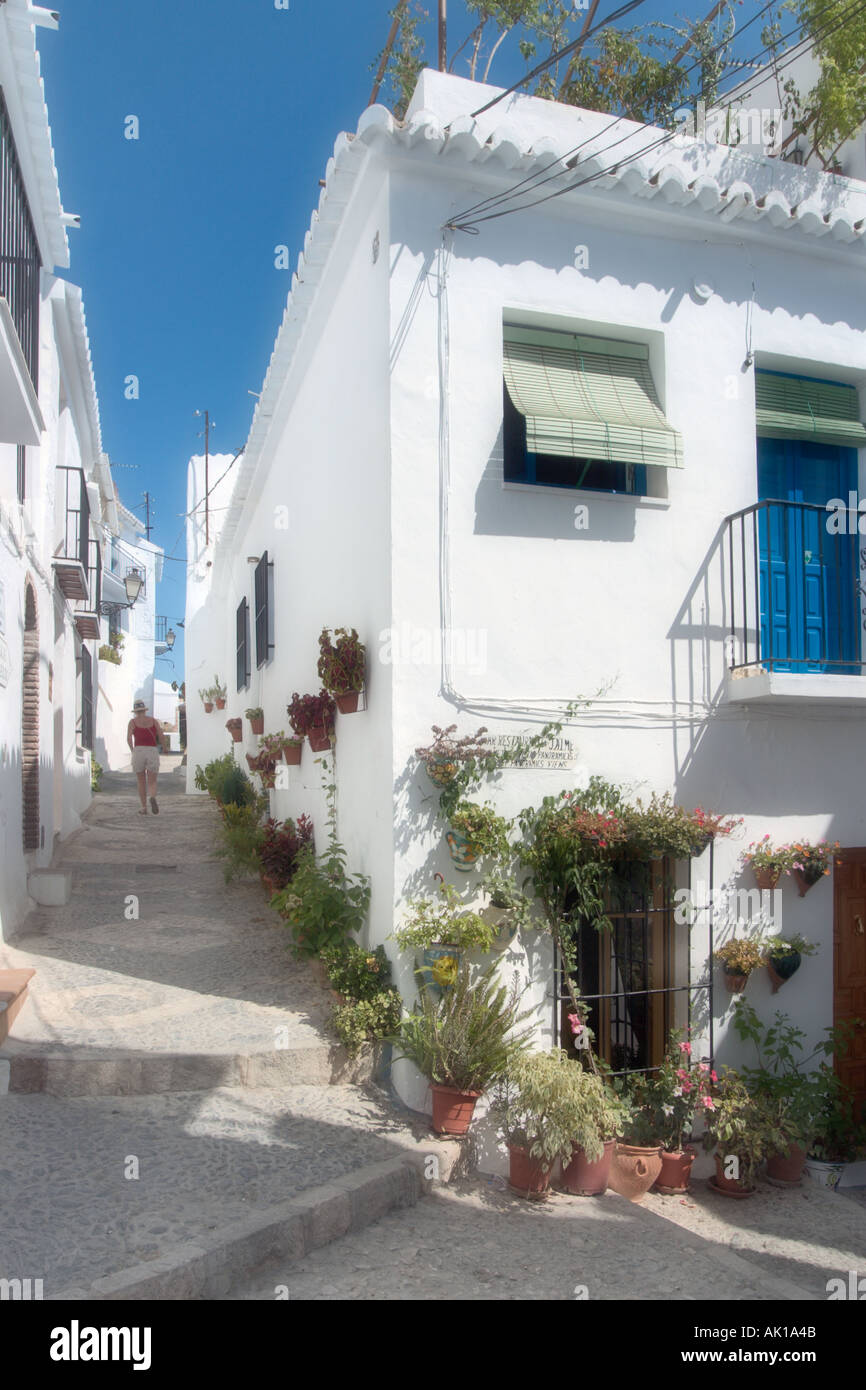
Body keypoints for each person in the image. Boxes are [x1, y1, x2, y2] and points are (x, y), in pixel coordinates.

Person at [127, 700, 167, 815]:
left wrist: (132, 750)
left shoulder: (132, 722)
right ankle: (153, 797)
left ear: (135, 711)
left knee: (141, 780)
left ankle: (144, 807)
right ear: (144, 710)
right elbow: (161, 735)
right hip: (152, 750)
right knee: (152, 781)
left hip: (138, 750)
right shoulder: (153, 721)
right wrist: (164, 748)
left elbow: (129, 739)